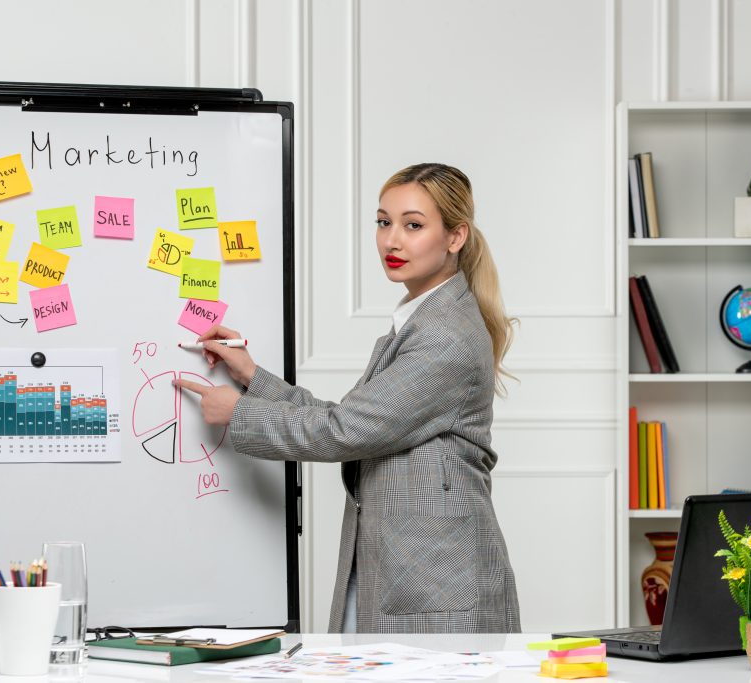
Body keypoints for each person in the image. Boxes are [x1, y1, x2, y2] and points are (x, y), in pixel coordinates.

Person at [174, 163, 520, 633]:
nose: (391, 241)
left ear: (455, 237)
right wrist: (253, 377)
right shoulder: (423, 320)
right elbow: (353, 419)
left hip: (434, 585)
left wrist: (240, 415)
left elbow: (346, 431)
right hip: (410, 573)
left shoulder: (445, 336)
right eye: (383, 222)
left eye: (413, 226)